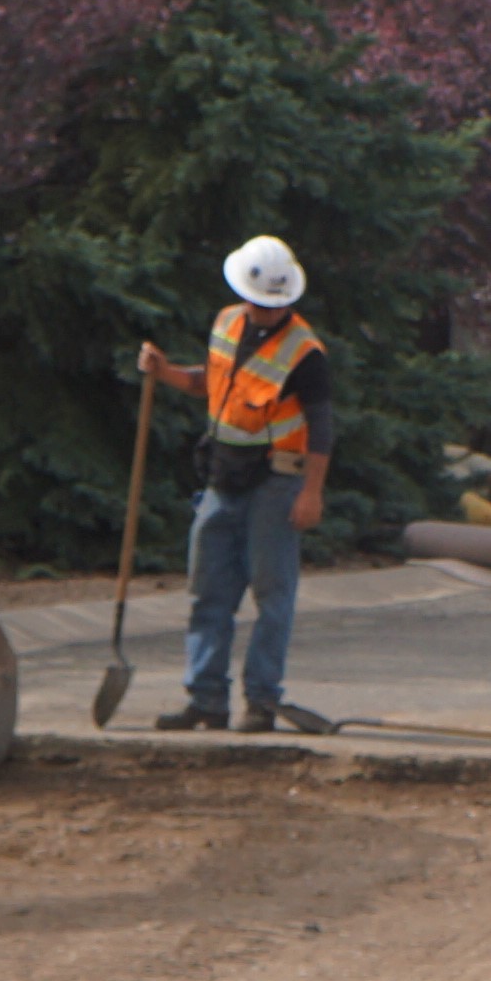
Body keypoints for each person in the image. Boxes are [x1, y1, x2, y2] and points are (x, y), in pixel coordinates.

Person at [138, 234, 332, 732]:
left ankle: (262, 701)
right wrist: (166, 374)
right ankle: (206, 700)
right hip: (224, 476)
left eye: (276, 305)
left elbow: (322, 427)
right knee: (208, 592)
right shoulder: (226, 322)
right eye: (261, 303)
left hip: (276, 483)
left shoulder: (306, 354)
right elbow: (214, 382)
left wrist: (312, 492)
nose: (266, 312)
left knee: (272, 595)